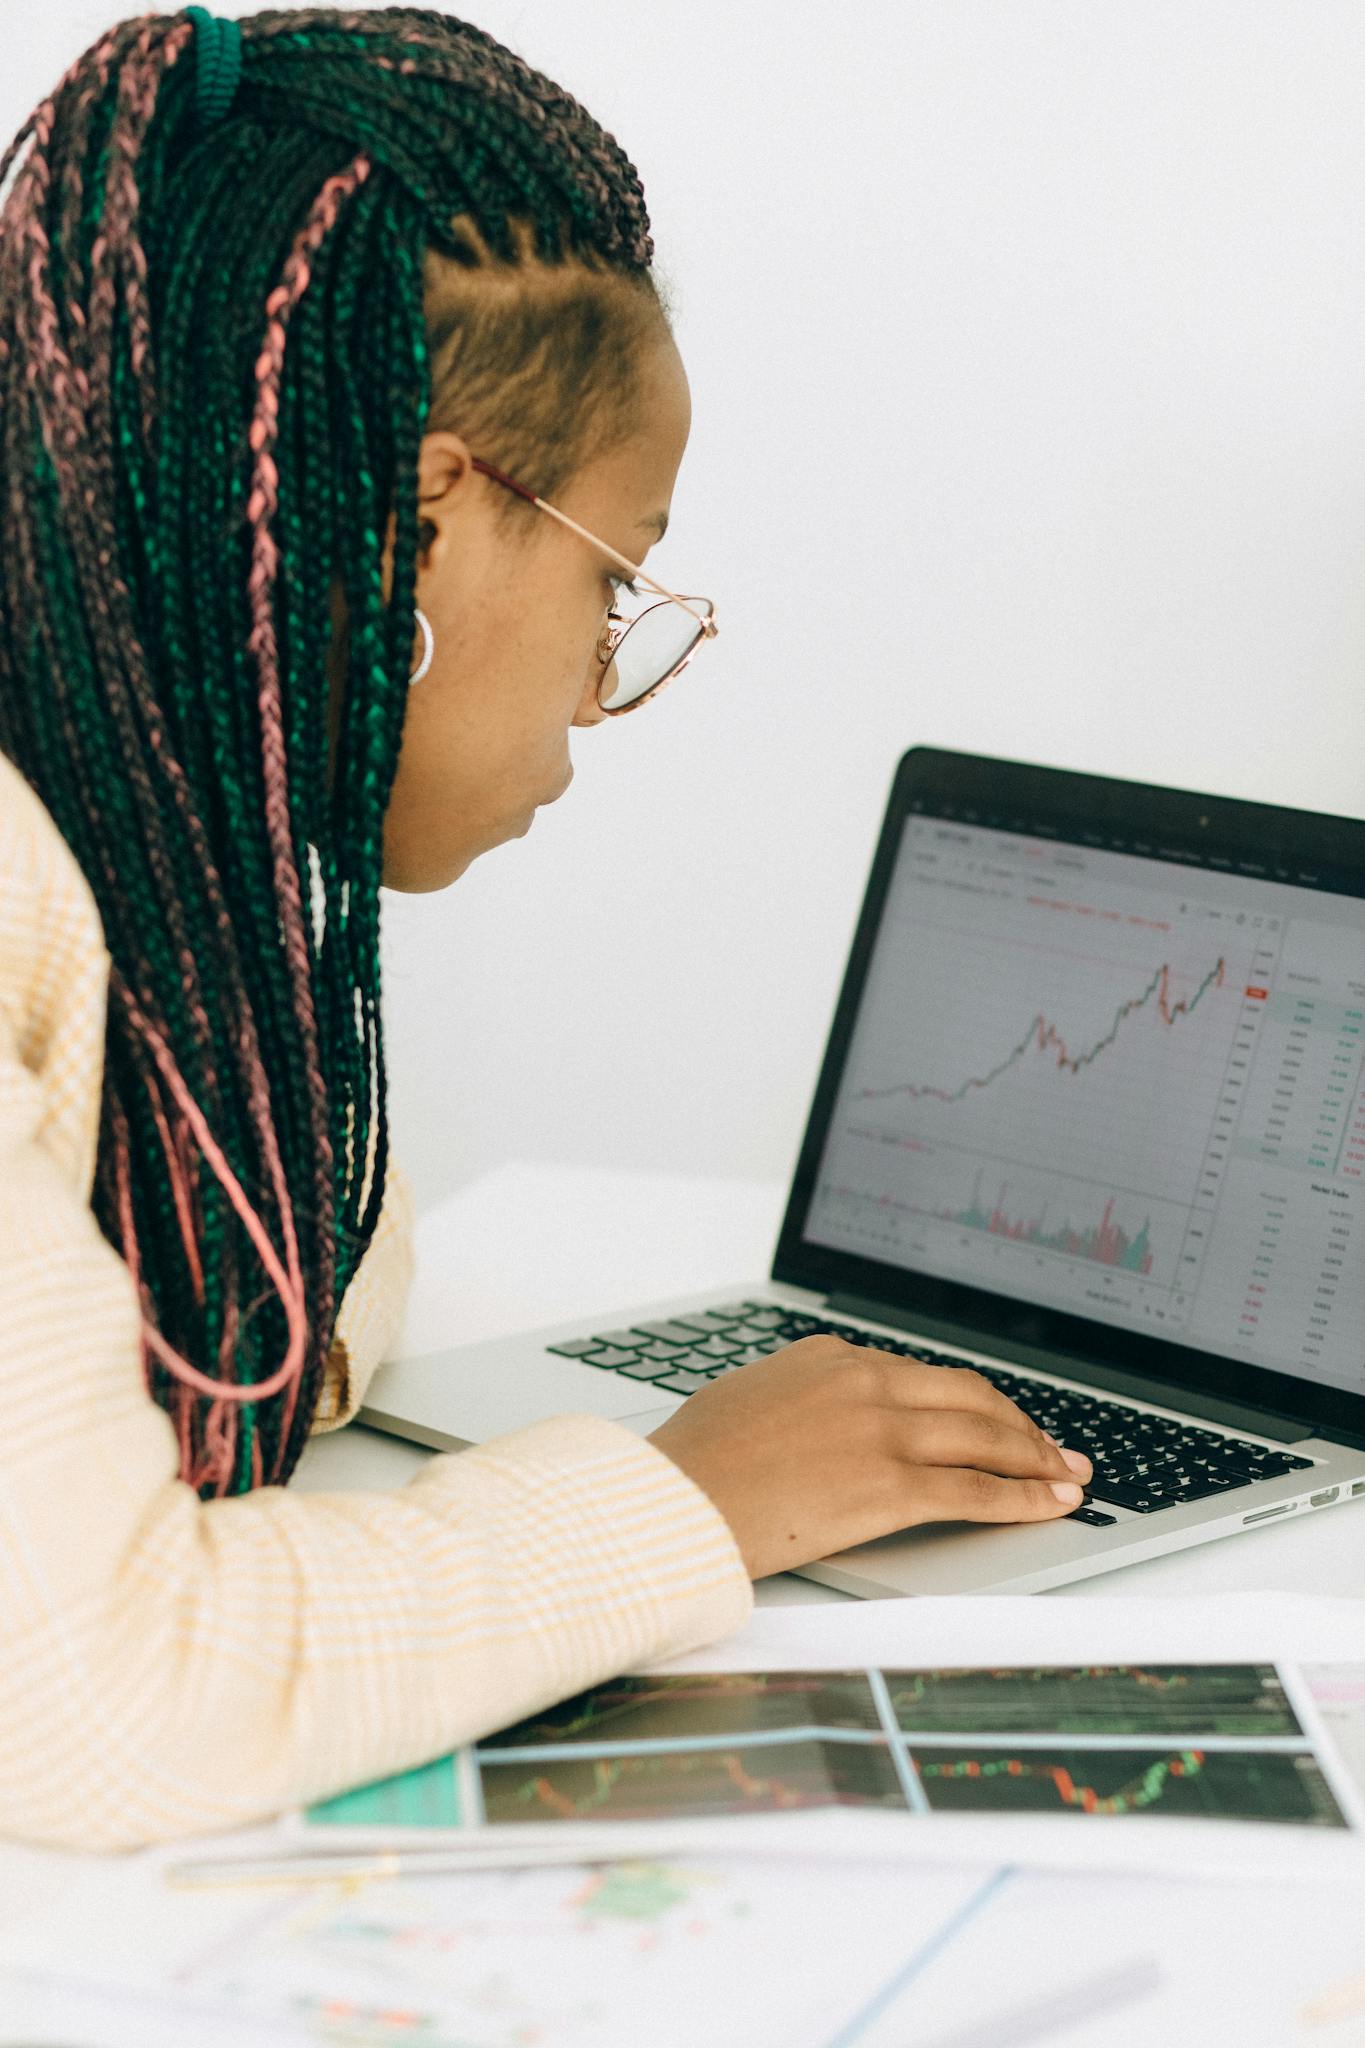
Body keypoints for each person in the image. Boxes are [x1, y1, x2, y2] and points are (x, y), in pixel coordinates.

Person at [0, 6, 1091, 1851]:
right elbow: (104, 1708)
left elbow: (319, 1282)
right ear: (419, 525)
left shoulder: (123, 843)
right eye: (619, 582)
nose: (601, 683)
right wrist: (692, 1502)